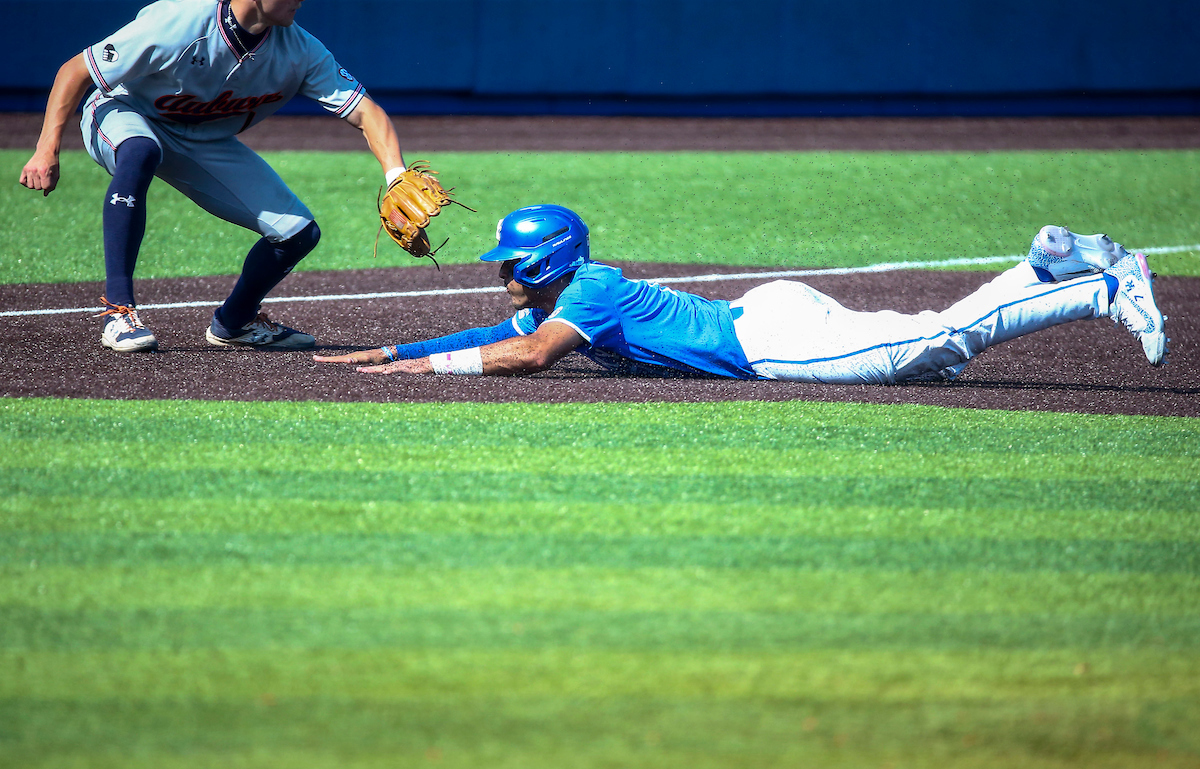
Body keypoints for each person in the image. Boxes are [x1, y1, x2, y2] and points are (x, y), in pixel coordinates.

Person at [313, 204, 1169, 383]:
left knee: (932, 343)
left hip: (771, 342)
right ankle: (1044, 265)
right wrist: (389, 350)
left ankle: (1097, 288)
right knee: (928, 334)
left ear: (547, 262)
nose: (501, 271)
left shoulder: (585, 300)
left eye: (511, 261)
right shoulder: (581, 291)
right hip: (772, 310)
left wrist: (425, 376)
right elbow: (492, 328)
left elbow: (527, 355)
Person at [19, 0, 411, 352]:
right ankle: (118, 311)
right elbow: (75, 71)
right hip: (124, 112)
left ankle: (234, 322)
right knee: (141, 151)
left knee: (297, 233)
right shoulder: (179, 20)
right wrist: (46, 148)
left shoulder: (300, 49)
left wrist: (395, 175)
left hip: (203, 140)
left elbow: (367, 112)